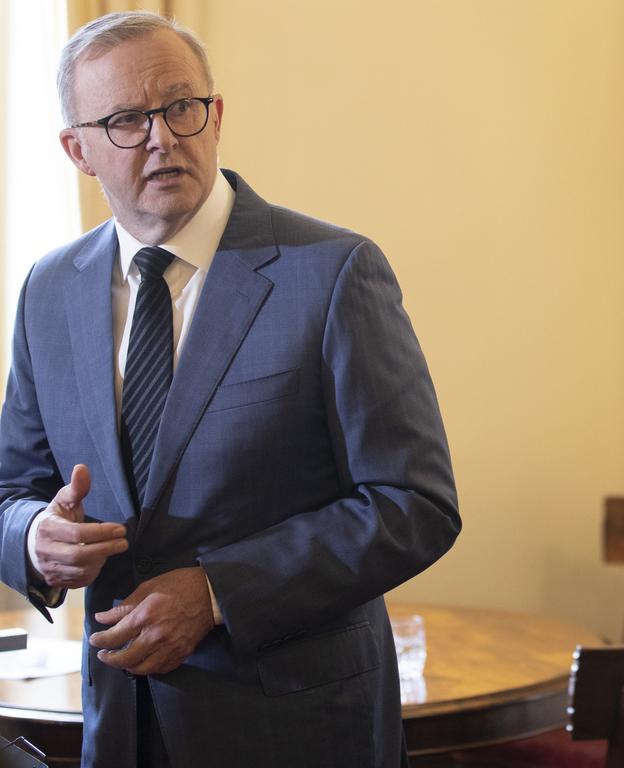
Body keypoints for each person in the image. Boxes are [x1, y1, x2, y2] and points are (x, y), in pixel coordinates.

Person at [0, 11, 460, 768]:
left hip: (296, 729)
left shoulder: (332, 272)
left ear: (216, 115)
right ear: (76, 150)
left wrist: (219, 592)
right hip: (120, 723)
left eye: (181, 107)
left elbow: (416, 503)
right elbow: (13, 490)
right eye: (125, 120)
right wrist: (33, 538)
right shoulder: (49, 290)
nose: (162, 138)